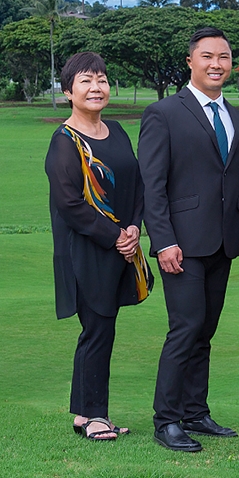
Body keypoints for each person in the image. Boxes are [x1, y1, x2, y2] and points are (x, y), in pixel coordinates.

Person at [139, 27, 239, 453]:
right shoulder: (163, 113)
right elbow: (153, 184)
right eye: (207, 56)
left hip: (222, 243)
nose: (216, 63)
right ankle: (166, 420)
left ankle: (195, 412)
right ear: (191, 61)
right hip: (180, 245)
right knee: (184, 330)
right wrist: (163, 241)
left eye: (223, 56)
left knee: (204, 331)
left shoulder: (238, 118)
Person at [46, 52, 152, 441]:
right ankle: (95, 418)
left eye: (102, 79)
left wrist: (134, 230)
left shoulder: (118, 132)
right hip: (86, 252)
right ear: (68, 91)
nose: (96, 87)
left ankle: (83, 413)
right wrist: (115, 237)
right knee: (97, 330)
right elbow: (70, 204)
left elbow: (138, 186)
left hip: (121, 246)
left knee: (99, 330)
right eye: (86, 80)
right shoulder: (64, 142)